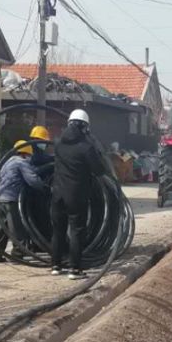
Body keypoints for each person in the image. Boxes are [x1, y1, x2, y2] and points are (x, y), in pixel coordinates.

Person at [50, 108, 106, 280]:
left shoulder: (58, 144)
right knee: (76, 231)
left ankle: (56, 266)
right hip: (76, 195)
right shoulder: (86, 147)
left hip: (57, 195)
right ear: (85, 127)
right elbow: (99, 170)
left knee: (58, 231)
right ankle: (75, 269)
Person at [0, 140, 49, 263]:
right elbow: (33, 180)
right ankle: (17, 254)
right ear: (27, 154)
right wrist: (46, 188)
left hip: (0, 199)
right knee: (17, 229)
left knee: (2, 229)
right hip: (11, 200)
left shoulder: (7, 162)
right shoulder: (22, 162)